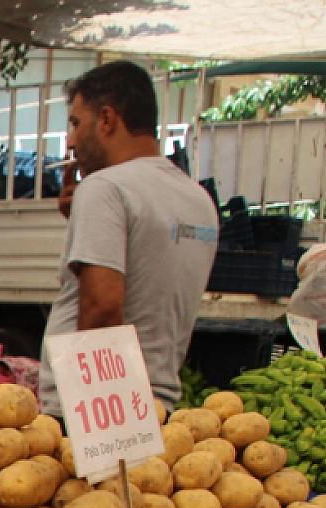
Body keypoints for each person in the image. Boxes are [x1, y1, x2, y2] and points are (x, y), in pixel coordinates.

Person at [40, 61, 220, 417]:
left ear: (106, 120)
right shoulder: (198, 198)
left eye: (76, 124)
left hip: (94, 414)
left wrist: (99, 422)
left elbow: (102, 309)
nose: (71, 141)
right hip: (154, 406)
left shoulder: (104, 188)